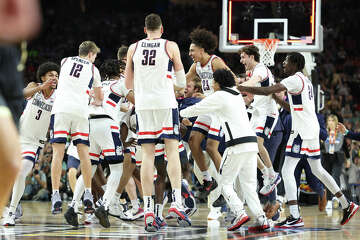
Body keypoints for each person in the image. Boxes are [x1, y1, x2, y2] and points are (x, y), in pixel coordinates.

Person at [238, 52, 359, 227]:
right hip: (310, 130)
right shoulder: (305, 81)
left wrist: (243, 87)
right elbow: (292, 108)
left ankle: (295, 216)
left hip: (302, 132)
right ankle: (347, 204)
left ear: (295, 63)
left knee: (287, 171)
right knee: (318, 170)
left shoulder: (294, 79)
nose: (283, 64)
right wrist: (275, 99)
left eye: (286, 61)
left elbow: (266, 90)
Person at [181, 69, 270, 231]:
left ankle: (239, 212)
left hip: (237, 144)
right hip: (251, 144)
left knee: (225, 183)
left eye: (213, 81)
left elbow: (196, 109)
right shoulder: (236, 93)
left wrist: (178, 114)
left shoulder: (220, 96)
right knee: (249, 186)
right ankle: (262, 220)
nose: (212, 84)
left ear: (218, 83)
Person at [125, 13, 190, 232]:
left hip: (143, 106)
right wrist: (171, 85)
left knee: (147, 157)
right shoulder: (170, 45)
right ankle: (177, 203)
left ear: (145, 30)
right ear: (161, 29)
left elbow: (127, 84)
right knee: (171, 152)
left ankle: (150, 210)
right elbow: (181, 82)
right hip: (165, 103)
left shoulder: (133, 48)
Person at [3, 62, 59, 226]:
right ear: (42, 77)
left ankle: (11, 212)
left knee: (21, 173)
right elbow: (23, 93)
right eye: (50, 75)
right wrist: (41, 87)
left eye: (56, 75)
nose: (54, 78)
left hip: (33, 143)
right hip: (16, 136)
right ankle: (13, 201)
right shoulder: (34, 87)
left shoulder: (59, 96)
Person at [50, 41, 103, 215]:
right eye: (94, 56)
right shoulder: (94, 70)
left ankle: (56, 195)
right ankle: (87, 192)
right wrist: (93, 99)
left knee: (57, 154)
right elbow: (99, 98)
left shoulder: (64, 61)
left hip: (61, 110)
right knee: (84, 153)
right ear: (90, 54)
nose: (94, 59)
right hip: (80, 112)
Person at [0, 0, 42, 214]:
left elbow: (28, 22)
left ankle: (6, 209)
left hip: (8, 64)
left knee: (12, 164)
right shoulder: (35, 87)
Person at [185, 28, 234, 197]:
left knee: (212, 148)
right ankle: (207, 179)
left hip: (219, 109)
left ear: (201, 50)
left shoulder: (215, 62)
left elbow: (231, 79)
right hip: (208, 107)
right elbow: (182, 81)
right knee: (193, 140)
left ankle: (227, 185)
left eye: (192, 50)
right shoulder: (196, 66)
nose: (190, 53)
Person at [238, 45, 281, 196]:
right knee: (247, 146)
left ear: (251, 56)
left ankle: (271, 174)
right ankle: (266, 173)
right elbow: (251, 90)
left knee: (256, 143)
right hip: (257, 112)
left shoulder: (260, 69)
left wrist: (238, 87)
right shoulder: (252, 72)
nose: (241, 60)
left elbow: (252, 83)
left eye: (243, 57)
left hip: (267, 113)